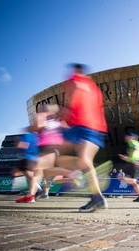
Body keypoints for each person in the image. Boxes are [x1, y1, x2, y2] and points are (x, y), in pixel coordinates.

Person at [52, 63, 109, 212]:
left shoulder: (75, 80)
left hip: (83, 126)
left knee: (66, 158)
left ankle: (88, 185)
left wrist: (67, 109)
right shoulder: (94, 87)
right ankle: (96, 195)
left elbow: (76, 90)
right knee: (73, 159)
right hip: (94, 128)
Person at [14, 127, 40, 203]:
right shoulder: (39, 137)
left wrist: (17, 142)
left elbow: (22, 145)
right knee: (31, 176)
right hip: (36, 158)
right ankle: (33, 191)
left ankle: (29, 194)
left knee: (18, 172)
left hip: (28, 158)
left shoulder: (28, 135)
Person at [118, 132, 139, 202]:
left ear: (131, 137)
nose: (125, 138)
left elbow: (134, 148)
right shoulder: (138, 144)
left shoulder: (132, 142)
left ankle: (135, 180)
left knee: (121, 177)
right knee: (134, 183)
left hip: (134, 164)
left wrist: (127, 157)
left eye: (127, 136)